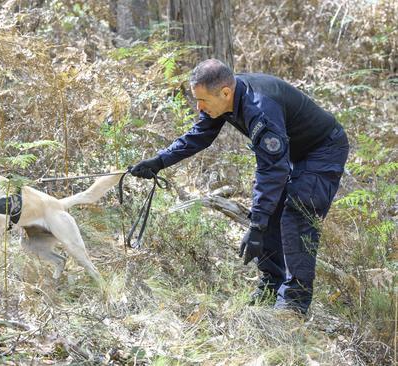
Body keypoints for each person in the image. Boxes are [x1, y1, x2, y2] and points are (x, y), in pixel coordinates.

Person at [130, 59, 349, 314]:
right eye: (196, 100)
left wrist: (256, 225)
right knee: (270, 210)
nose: (199, 107)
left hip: (323, 150)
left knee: (296, 214)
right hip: (293, 151)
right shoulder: (225, 98)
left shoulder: (261, 109)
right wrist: (159, 161)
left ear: (225, 92)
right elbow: (200, 134)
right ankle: (270, 285)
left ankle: (293, 306)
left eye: (203, 101)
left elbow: (272, 169)